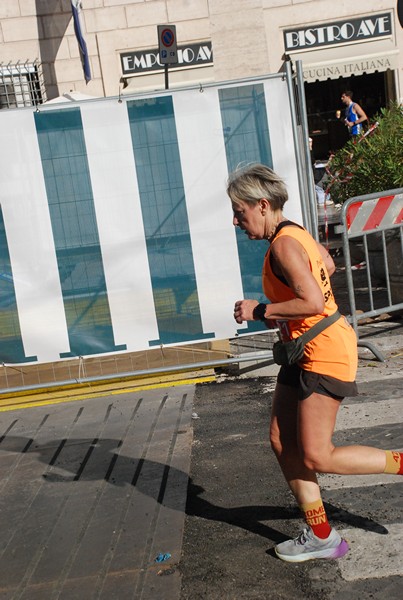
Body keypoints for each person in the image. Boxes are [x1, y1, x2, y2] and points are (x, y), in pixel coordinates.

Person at [228, 163, 403, 563]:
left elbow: (313, 301)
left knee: (317, 455)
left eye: (240, 211)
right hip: (303, 345)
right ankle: (322, 534)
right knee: (280, 440)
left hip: (323, 348)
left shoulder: (284, 244)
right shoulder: (294, 233)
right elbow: (326, 264)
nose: (236, 220)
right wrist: (286, 311)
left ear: (262, 204)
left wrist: (262, 309)